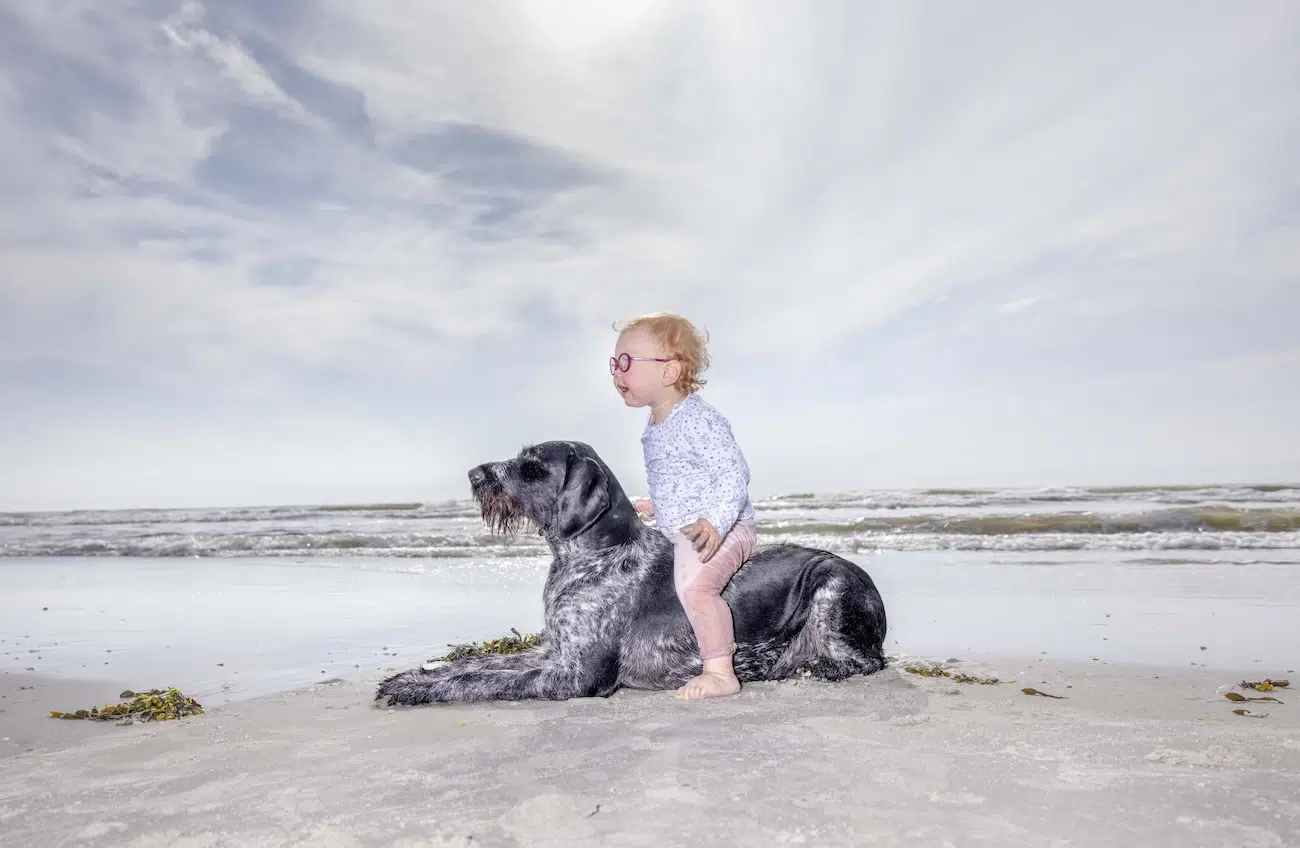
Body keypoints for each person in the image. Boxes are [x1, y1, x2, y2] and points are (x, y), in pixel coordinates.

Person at [609, 312, 757, 700]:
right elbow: (680, 479)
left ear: (669, 371)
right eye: (614, 363)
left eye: (626, 361)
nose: (617, 372)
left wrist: (716, 523)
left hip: (725, 527)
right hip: (686, 528)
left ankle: (720, 672)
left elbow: (733, 474)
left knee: (695, 588)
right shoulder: (657, 422)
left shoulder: (698, 419)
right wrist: (656, 505)